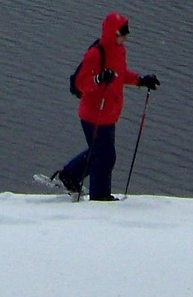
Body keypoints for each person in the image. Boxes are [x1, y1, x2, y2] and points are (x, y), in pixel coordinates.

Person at [49, 12, 159, 201]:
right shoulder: (96, 54)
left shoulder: (119, 51)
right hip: (93, 114)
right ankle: (98, 197)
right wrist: (99, 79)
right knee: (105, 156)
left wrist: (141, 80)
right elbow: (81, 83)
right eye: (123, 33)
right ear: (113, 33)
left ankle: (70, 176)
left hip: (109, 114)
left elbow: (120, 75)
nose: (126, 37)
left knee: (101, 154)